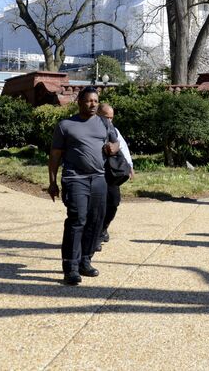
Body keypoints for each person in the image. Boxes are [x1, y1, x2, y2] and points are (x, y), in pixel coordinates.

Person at [48, 86, 119, 285]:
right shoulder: (66, 125)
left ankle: (85, 261)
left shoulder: (104, 123)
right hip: (74, 178)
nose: (93, 104)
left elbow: (116, 143)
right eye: (89, 101)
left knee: (96, 220)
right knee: (77, 219)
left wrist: (113, 148)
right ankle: (70, 267)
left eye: (96, 101)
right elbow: (55, 156)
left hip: (99, 179)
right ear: (79, 102)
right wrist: (52, 182)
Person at [95, 103, 134, 251]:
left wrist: (129, 166)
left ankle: (103, 228)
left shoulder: (114, 130)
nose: (109, 121)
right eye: (106, 117)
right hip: (95, 171)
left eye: (111, 118)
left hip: (111, 172)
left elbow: (123, 146)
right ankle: (95, 236)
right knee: (97, 205)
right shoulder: (91, 128)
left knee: (113, 202)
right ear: (98, 114)